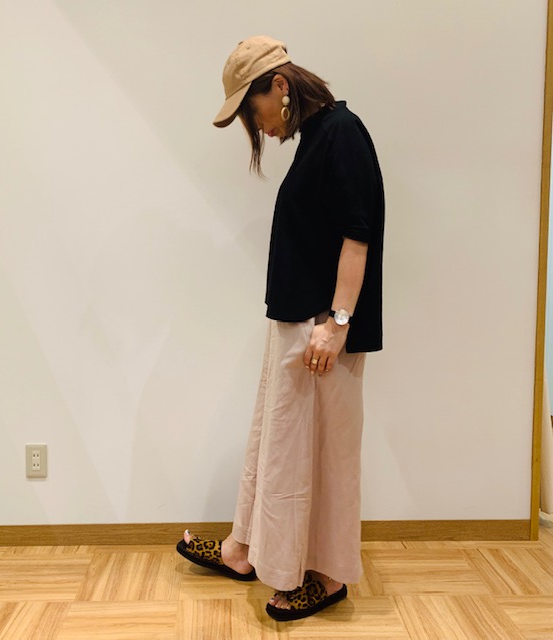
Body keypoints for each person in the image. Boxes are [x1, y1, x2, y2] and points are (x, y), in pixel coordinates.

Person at [176, 35, 385, 622]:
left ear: (281, 86)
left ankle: (328, 575)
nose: (259, 127)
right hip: (298, 323)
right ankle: (247, 550)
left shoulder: (342, 133)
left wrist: (337, 324)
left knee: (324, 456)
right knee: (280, 450)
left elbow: (358, 234)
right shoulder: (317, 136)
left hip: (322, 330)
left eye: (254, 110)